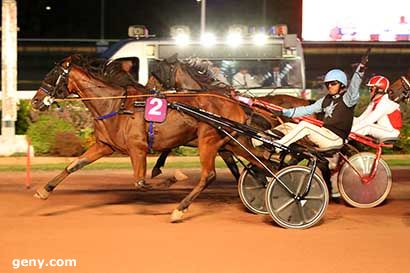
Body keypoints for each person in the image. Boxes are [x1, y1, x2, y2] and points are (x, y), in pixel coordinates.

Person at [273, 62, 365, 151]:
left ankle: (278, 146)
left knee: (305, 126)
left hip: (335, 139)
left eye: (333, 83)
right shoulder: (326, 99)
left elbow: (354, 86)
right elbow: (306, 110)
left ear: (342, 85)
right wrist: (284, 112)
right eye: (327, 84)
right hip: (324, 134)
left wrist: (360, 71)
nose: (329, 86)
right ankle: (262, 140)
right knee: (287, 126)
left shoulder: (348, 99)